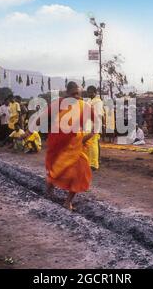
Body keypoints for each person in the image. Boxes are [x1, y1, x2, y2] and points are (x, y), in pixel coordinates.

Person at [44, 82, 94, 211]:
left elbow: (97, 121)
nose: (77, 96)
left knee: (80, 173)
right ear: (67, 93)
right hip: (60, 146)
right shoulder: (59, 104)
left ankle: (68, 202)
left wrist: (90, 134)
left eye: (78, 94)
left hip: (77, 146)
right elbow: (41, 117)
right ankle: (49, 190)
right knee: (57, 171)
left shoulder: (84, 106)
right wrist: (28, 132)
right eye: (74, 94)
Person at [85, 86, 104, 170]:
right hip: (88, 124)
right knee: (91, 143)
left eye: (91, 92)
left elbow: (99, 115)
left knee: (94, 143)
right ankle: (92, 161)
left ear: (95, 92)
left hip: (95, 124)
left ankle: (94, 163)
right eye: (88, 92)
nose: (89, 94)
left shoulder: (98, 102)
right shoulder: (89, 101)